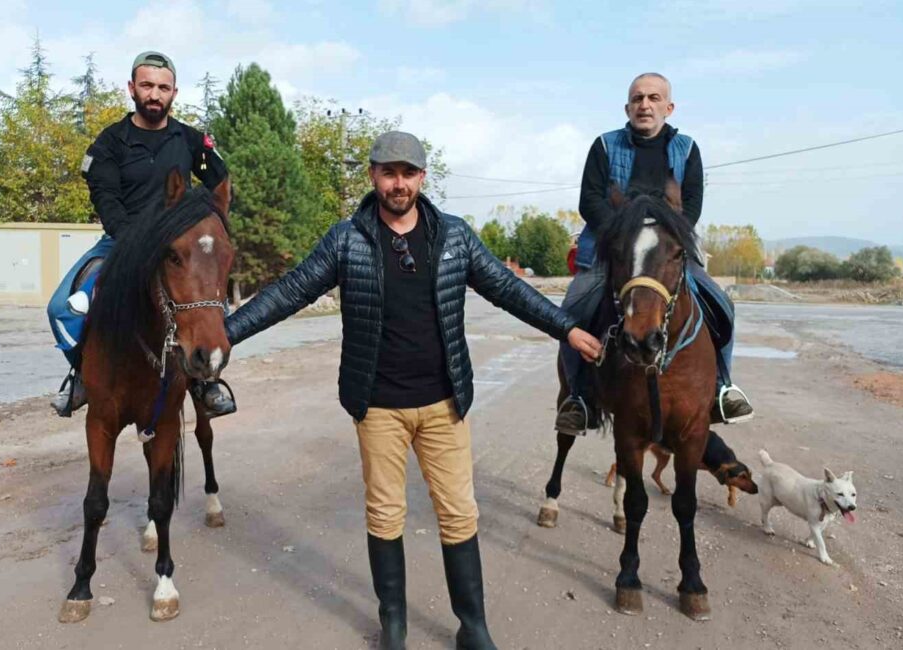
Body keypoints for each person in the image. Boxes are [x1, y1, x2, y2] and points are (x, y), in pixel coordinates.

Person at [224, 131, 602, 649]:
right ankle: (394, 625)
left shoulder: (454, 236)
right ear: (373, 176)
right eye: (388, 172)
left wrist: (567, 327)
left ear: (422, 178)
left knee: (458, 512)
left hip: (445, 403)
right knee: (384, 512)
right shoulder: (346, 239)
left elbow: (508, 289)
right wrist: (226, 333)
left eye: (408, 173)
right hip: (377, 404)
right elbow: (290, 290)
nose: (398, 183)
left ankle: (473, 627)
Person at [554, 72, 754, 436]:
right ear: (627, 106)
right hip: (613, 247)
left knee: (723, 304)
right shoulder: (604, 144)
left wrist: (668, 233)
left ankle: (723, 386)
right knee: (572, 309)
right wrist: (623, 231)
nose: (644, 105)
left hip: (667, 247)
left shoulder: (688, 148)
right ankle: (578, 397)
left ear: (669, 107)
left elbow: (691, 205)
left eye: (653, 98)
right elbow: (590, 200)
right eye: (637, 98)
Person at [47, 51, 233, 418]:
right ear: (132, 88)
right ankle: (81, 374)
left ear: (174, 93)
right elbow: (105, 196)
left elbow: (221, 187)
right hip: (120, 244)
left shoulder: (191, 141)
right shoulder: (110, 143)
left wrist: (205, 229)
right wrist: (133, 241)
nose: (154, 94)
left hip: (178, 248)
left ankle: (204, 381)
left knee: (212, 308)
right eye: (147, 85)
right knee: (61, 309)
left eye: (163, 88)